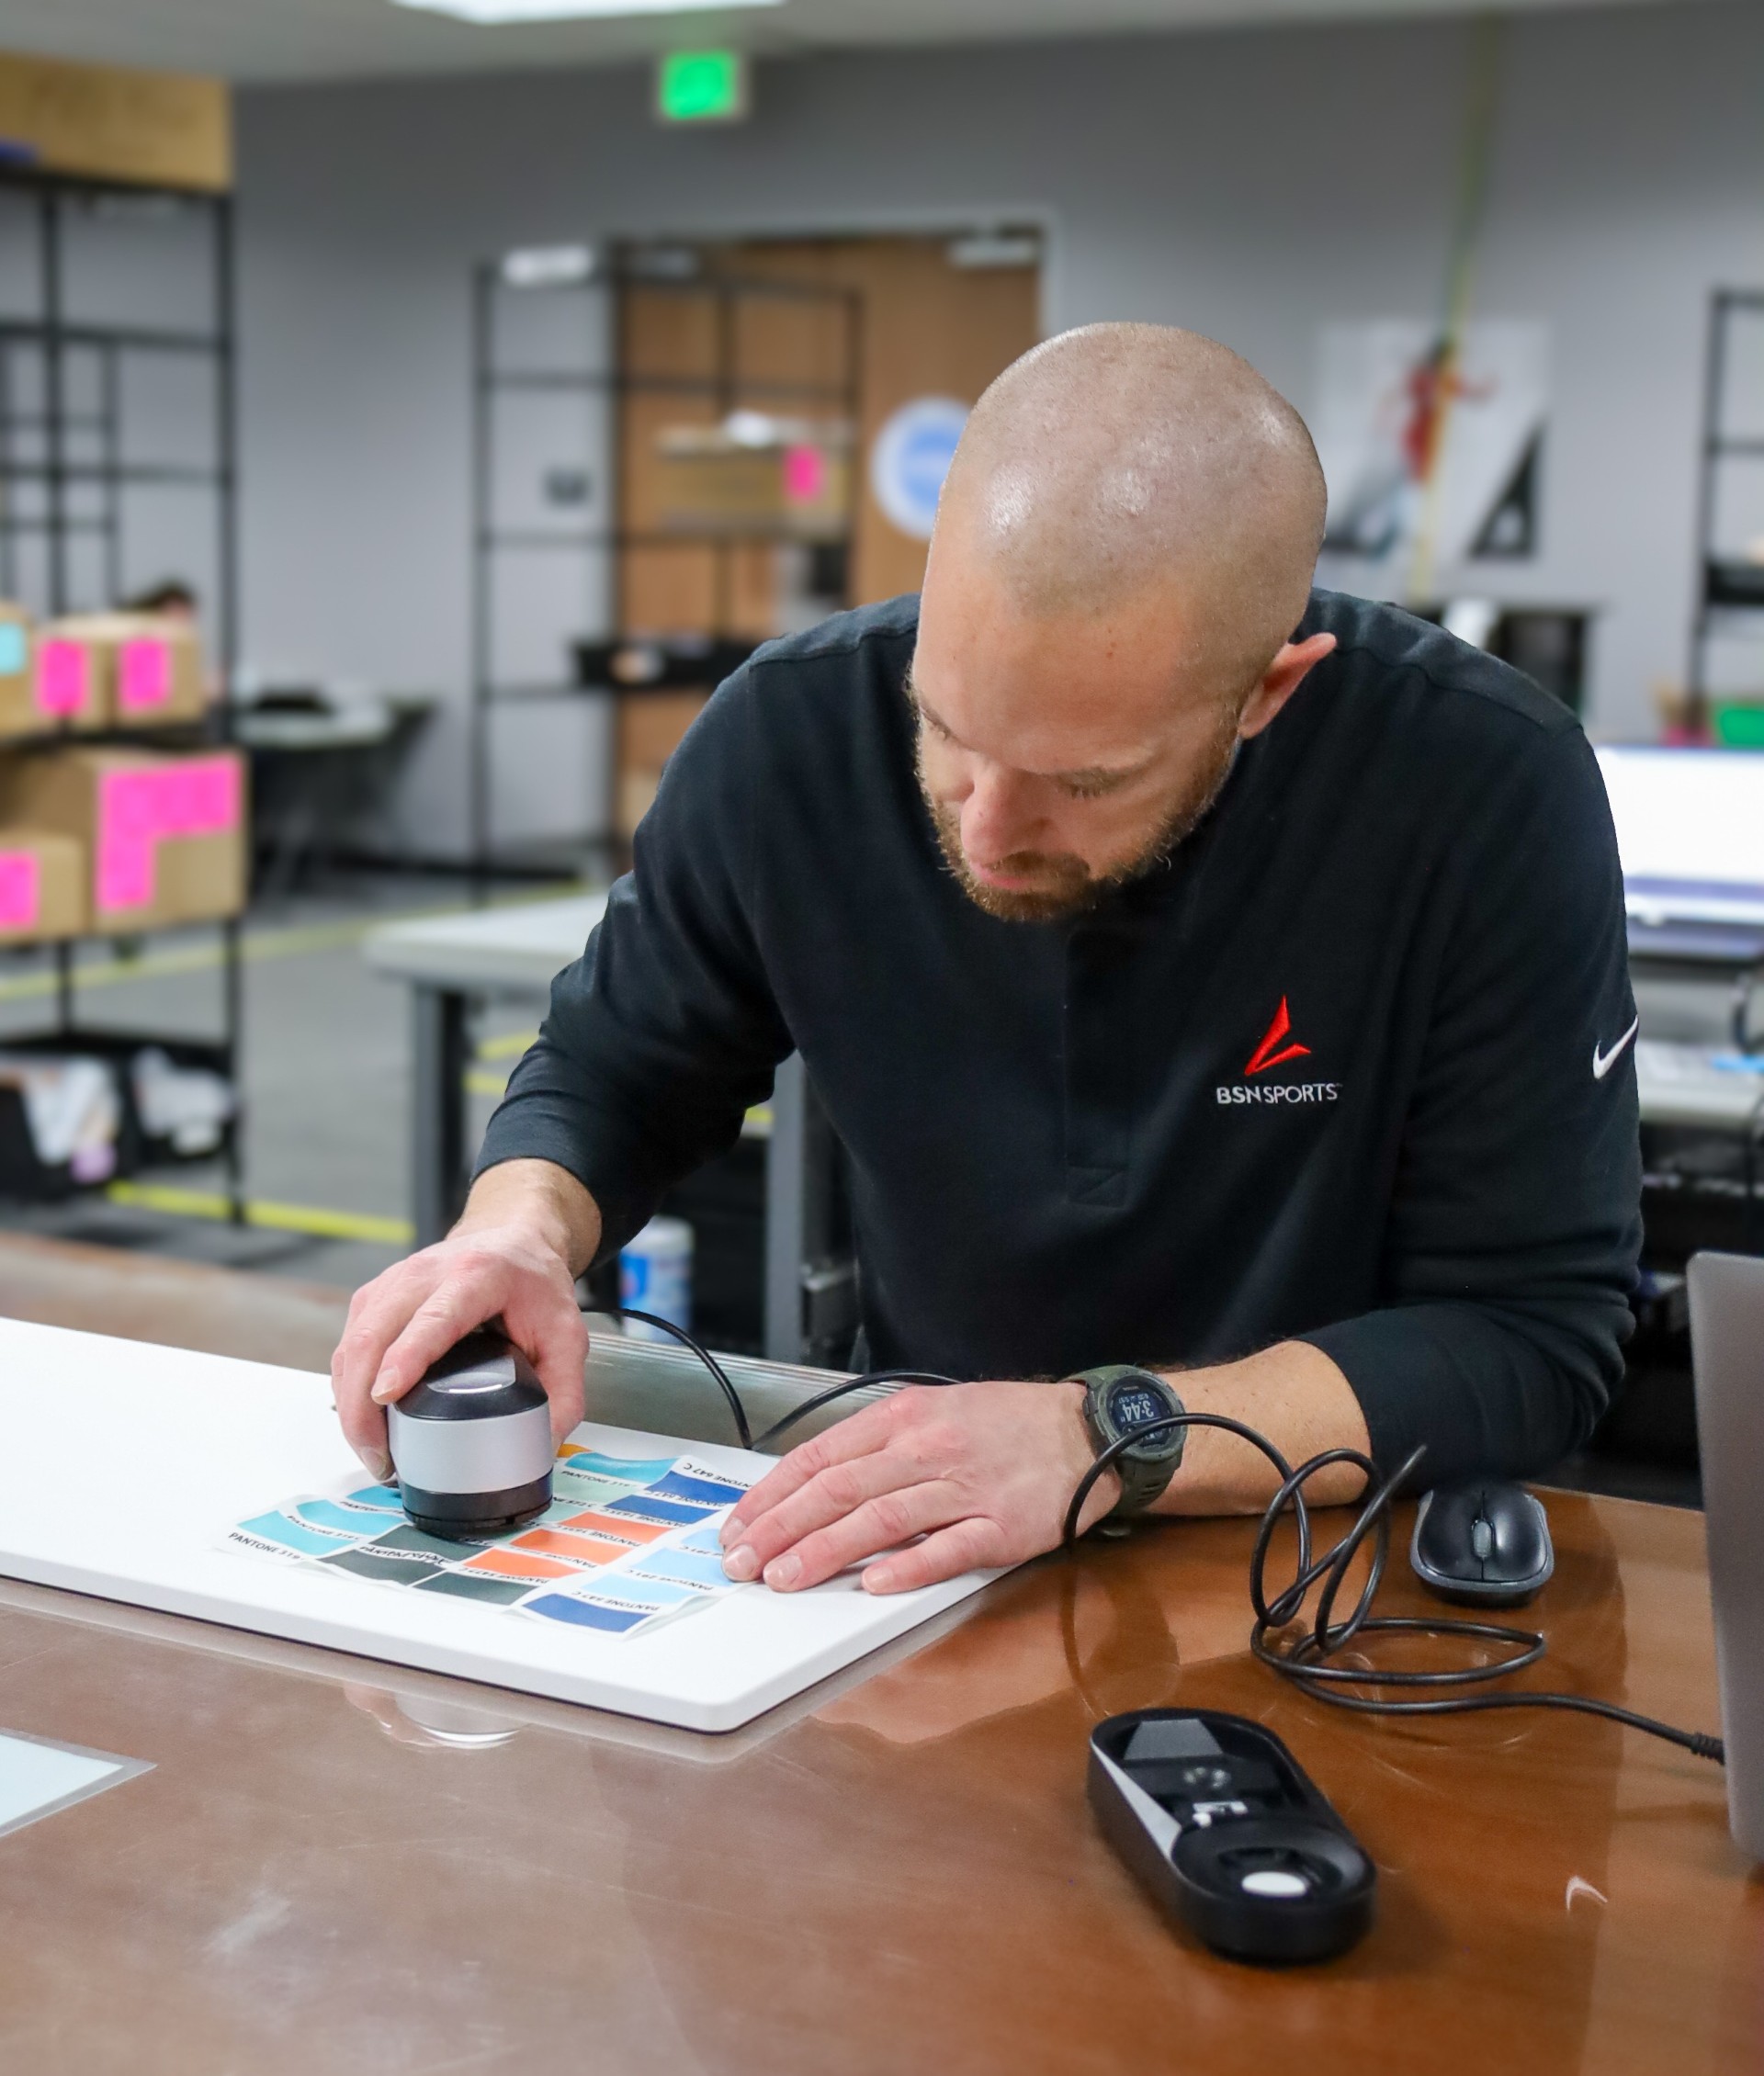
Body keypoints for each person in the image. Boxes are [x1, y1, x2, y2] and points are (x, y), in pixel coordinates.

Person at [332, 323, 1641, 1599]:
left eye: (1084, 778)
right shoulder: (793, 737)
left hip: (1330, 1554)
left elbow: (1529, 1337)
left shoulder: (1481, 792)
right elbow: (617, 1068)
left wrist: (1101, 1436)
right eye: (947, 729)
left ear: (1266, 695)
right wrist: (518, 1233)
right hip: (925, 1524)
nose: (986, 826)